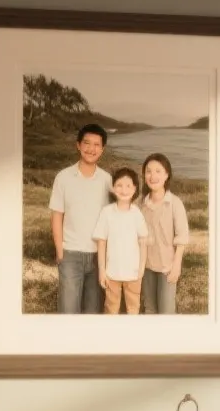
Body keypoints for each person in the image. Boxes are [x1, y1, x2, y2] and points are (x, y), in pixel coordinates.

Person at [48, 124, 113, 314]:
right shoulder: (63, 177)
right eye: (86, 143)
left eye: (96, 145)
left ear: (102, 149)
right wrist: (60, 251)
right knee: (68, 311)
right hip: (70, 255)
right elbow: (57, 215)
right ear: (78, 145)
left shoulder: (107, 180)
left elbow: (116, 215)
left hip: (98, 257)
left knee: (93, 313)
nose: (91, 149)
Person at [137, 153, 190, 315]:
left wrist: (176, 265)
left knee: (166, 311)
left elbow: (182, 237)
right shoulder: (140, 203)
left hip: (167, 266)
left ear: (167, 175)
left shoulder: (175, 203)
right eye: (148, 171)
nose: (153, 176)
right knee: (150, 309)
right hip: (146, 266)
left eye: (158, 171)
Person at [93, 168, 150, 315]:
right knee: (111, 308)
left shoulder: (136, 213)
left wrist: (141, 268)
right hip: (112, 272)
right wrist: (102, 271)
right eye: (119, 185)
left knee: (133, 308)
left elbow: (143, 242)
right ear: (113, 188)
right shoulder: (107, 212)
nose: (123, 190)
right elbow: (101, 242)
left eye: (128, 186)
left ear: (135, 189)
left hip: (133, 273)